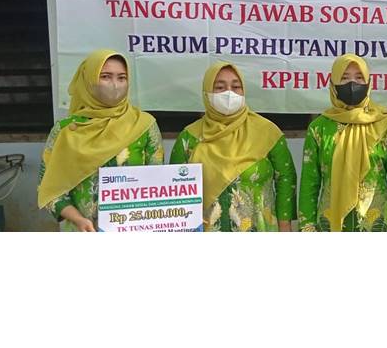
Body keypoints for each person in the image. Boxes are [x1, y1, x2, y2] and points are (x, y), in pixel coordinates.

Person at [37, 49, 164, 231]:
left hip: (134, 230)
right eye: (105, 77)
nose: (115, 85)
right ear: (88, 80)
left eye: (122, 78)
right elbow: (48, 188)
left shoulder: (144, 125)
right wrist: (78, 219)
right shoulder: (65, 130)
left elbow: (158, 182)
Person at [170, 62, 296, 231]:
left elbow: (286, 178)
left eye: (236, 87)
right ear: (206, 93)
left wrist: (285, 225)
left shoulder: (267, 132)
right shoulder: (189, 137)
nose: (229, 93)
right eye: (220, 87)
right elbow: (175, 190)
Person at [298, 54, 387, 231]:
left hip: (377, 224)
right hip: (330, 224)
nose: (352, 84)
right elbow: (309, 183)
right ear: (333, 83)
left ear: (368, 83)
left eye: (359, 78)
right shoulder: (319, 128)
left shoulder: (386, 126)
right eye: (344, 78)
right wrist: (307, 226)